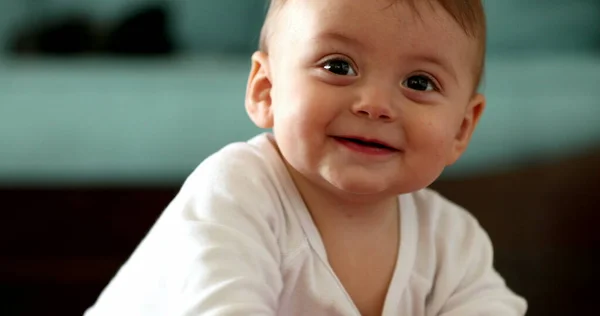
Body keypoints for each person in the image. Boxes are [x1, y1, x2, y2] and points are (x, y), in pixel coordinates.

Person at [84, 0, 527, 315]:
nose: (375, 104)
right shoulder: (237, 191)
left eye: (419, 82)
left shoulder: (452, 242)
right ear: (266, 91)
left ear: (462, 129)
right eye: (338, 66)